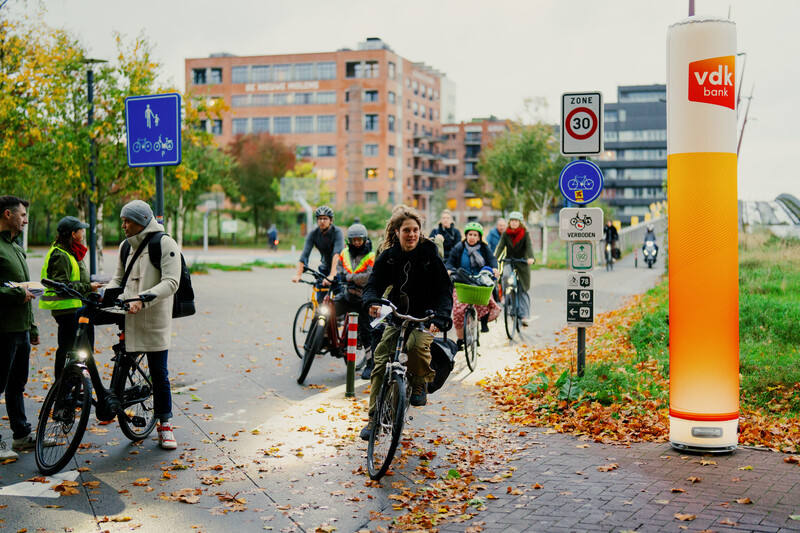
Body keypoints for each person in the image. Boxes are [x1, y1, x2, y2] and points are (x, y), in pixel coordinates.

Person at [360, 206, 452, 440]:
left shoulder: (430, 256)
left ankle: (419, 383)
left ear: (420, 232)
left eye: (415, 230)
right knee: (380, 362)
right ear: (397, 232)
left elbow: (444, 290)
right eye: (406, 230)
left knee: (419, 347)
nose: (411, 234)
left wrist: (440, 317)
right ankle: (373, 418)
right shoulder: (389, 257)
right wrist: (372, 300)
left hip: (425, 317)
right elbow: (373, 283)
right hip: (396, 316)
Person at [106, 200, 181, 451]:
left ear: (140, 221)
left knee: (159, 373)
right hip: (129, 316)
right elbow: (118, 278)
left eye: (127, 221)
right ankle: (119, 403)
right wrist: (105, 297)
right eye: (122, 221)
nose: (123, 225)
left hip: (155, 320)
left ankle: (165, 425)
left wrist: (143, 298)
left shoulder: (164, 243)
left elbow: (171, 282)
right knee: (122, 363)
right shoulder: (125, 247)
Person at [0, 196, 41, 458]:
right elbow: (15, 292)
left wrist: (32, 327)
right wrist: (17, 295)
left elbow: (24, 287)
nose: (26, 220)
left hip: (20, 330)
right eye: (22, 215)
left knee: (17, 385)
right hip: (2, 330)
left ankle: (22, 436)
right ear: (7, 215)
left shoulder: (15, 247)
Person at [40, 216, 103, 380]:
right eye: (81, 230)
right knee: (69, 349)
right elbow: (63, 287)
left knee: (80, 350)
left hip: (76, 308)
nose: (83, 232)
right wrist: (89, 287)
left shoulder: (71, 251)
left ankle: (75, 386)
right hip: (67, 311)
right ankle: (63, 389)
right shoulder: (61, 255)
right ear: (73, 234)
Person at [446, 222, 501, 346]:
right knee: (457, 311)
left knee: (486, 301)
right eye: (470, 234)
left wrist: (494, 268)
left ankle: (483, 321)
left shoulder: (484, 248)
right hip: (462, 281)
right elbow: (450, 262)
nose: (472, 237)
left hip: (479, 280)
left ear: (479, 237)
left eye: (475, 235)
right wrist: (449, 269)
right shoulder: (459, 248)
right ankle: (460, 339)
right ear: (466, 235)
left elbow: (492, 260)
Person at [333, 223, 375, 375]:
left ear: (364, 239)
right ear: (349, 240)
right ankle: (323, 337)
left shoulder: (371, 256)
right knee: (327, 309)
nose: (357, 242)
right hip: (347, 295)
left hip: (362, 299)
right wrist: (343, 275)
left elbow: (368, 277)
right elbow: (339, 268)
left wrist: (351, 277)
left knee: (366, 331)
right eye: (354, 240)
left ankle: (370, 364)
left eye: (360, 239)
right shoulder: (344, 252)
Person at [292, 206, 345, 302]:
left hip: (339, 268)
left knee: (340, 299)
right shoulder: (313, 234)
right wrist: (298, 274)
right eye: (320, 218)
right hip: (325, 268)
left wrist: (332, 275)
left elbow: (337, 255)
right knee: (320, 299)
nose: (322, 221)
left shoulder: (337, 232)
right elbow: (305, 255)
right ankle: (320, 315)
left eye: (325, 218)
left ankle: (341, 314)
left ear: (331, 220)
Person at [493, 211, 535, 327]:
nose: (514, 223)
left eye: (516, 221)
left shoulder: (525, 234)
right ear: (509, 222)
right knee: (505, 277)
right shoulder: (506, 234)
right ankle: (508, 299)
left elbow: (529, 247)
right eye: (512, 221)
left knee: (522, 289)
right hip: (510, 261)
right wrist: (493, 259)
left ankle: (525, 315)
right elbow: (500, 247)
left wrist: (531, 258)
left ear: (520, 223)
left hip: (522, 262)